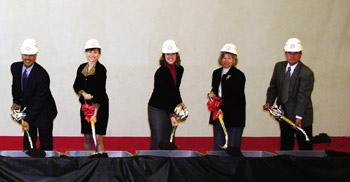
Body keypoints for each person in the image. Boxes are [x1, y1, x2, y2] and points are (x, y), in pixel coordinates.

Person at [263, 38, 314, 150]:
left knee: (304, 146)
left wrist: (298, 117)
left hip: (301, 115)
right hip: (284, 113)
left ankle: (306, 167)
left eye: (295, 53)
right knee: (286, 144)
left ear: (300, 54)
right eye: (289, 53)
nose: (292, 56)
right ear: (285, 53)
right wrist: (269, 102)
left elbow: (303, 95)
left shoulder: (306, 73)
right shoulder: (279, 67)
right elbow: (273, 87)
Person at [11, 38, 58, 150]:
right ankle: (28, 165)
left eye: (31, 55)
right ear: (22, 54)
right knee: (28, 141)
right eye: (25, 55)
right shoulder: (15, 67)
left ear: (36, 55)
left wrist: (27, 120)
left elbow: (40, 101)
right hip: (29, 107)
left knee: (45, 143)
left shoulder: (42, 75)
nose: (28, 58)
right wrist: (16, 101)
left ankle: (46, 166)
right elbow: (16, 86)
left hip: (44, 110)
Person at [148, 40, 185, 150]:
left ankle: (168, 165)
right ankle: (153, 165)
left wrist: (180, 102)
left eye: (173, 54)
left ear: (176, 55)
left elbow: (175, 89)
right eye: (168, 54)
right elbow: (164, 95)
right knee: (158, 139)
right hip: (157, 108)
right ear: (164, 56)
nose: (170, 56)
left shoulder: (180, 69)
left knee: (169, 138)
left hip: (170, 106)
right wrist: (171, 115)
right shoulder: (160, 72)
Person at [208, 43, 246, 151]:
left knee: (232, 146)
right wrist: (212, 95)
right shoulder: (216, 73)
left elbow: (235, 96)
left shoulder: (239, 75)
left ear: (234, 60)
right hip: (218, 113)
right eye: (224, 57)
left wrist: (222, 108)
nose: (226, 60)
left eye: (229, 58)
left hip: (233, 115)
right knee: (218, 144)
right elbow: (216, 90)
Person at [73, 39, 109, 151]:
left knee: (98, 137)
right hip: (85, 107)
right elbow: (76, 85)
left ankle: (101, 163)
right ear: (85, 53)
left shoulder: (101, 70)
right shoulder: (81, 68)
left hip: (99, 106)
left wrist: (95, 113)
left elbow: (100, 92)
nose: (92, 55)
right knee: (88, 137)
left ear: (99, 54)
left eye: (95, 52)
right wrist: (84, 94)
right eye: (89, 52)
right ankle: (87, 164)